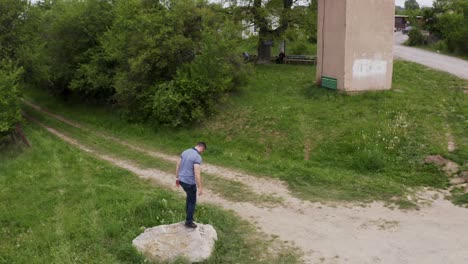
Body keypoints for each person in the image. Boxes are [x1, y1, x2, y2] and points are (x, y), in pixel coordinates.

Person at [176, 142, 206, 228]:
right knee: (192, 201)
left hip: (181, 180)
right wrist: (200, 187)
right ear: (201, 148)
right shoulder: (197, 157)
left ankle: (188, 217)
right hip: (189, 182)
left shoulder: (185, 151)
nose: (202, 152)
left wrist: (177, 177)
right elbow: (197, 172)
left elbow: (178, 164)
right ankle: (189, 222)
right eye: (203, 151)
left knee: (189, 198)